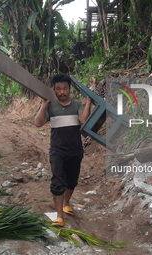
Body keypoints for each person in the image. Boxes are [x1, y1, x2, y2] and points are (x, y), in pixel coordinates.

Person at [34, 74, 92, 227]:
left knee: (72, 180)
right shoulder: (51, 107)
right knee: (58, 181)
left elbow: (83, 120)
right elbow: (38, 123)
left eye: (65, 88)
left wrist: (88, 104)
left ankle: (67, 203)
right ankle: (59, 216)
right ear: (54, 90)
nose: (62, 92)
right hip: (57, 150)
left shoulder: (77, 105)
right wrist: (44, 104)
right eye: (58, 89)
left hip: (75, 150)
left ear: (69, 89)